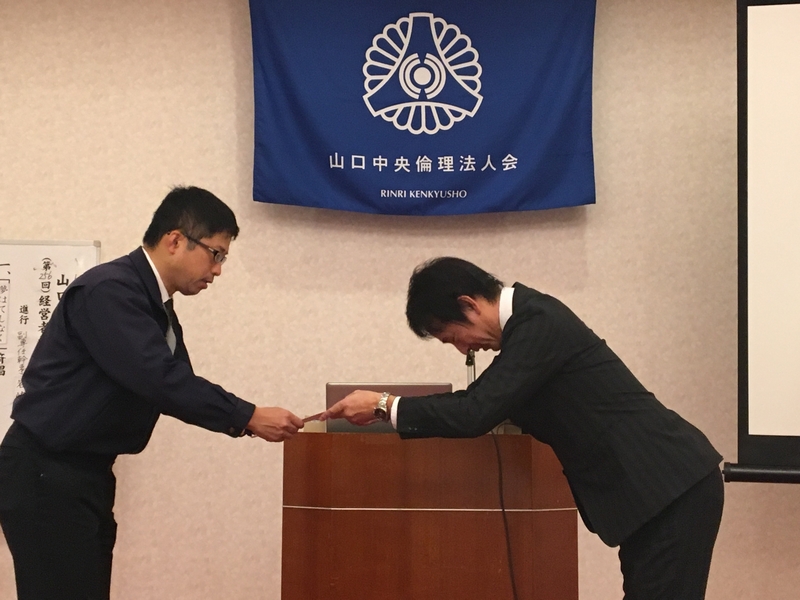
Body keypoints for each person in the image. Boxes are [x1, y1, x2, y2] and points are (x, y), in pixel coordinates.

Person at [322, 256, 724, 600]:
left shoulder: (538, 322)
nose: (464, 349)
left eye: (453, 337)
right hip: (655, 494)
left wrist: (383, 405)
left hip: (669, 488)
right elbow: (488, 402)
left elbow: (474, 410)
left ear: (468, 304)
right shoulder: (527, 329)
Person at [0, 186, 304, 600]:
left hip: (81, 475)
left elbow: (178, 384)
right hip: (46, 473)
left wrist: (245, 418)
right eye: (215, 254)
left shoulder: (154, 303)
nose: (218, 270)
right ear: (175, 240)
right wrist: (247, 415)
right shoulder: (110, 290)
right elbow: (160, 379)